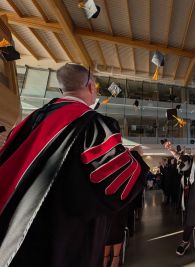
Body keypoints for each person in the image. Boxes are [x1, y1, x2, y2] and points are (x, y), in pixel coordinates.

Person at [0, 64, 149, 267]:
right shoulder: (94, 124)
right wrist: (137, 158)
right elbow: (119, 185)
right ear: (90, 86)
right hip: (65, 241)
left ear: (62, 90)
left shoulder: (32, 120)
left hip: (12, 238)